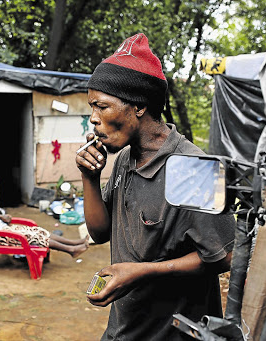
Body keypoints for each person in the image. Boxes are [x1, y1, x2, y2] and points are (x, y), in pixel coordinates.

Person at [76, 33, 236, 340]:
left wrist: (142, 272)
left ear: (138, 107)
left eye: (102, 106)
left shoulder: (194, 169)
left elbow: (224, 256)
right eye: (91, 107)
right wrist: (89, 179)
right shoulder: (125, 159)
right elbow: (99, 232)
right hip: (124, 329)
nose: (93, 118)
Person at [0, 175, 89, 258]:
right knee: (33, 237)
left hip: (0, 229)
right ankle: (71, 250)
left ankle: (74, 243)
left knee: (37, 230)